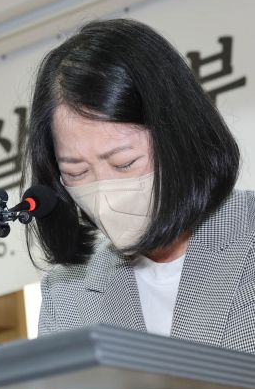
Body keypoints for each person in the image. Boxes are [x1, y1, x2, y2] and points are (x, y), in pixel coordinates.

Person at [22, 19, 254, 354]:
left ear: (179, 136)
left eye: (124, 163)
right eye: (77, 172)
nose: (105, 193)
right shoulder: (66, 294)